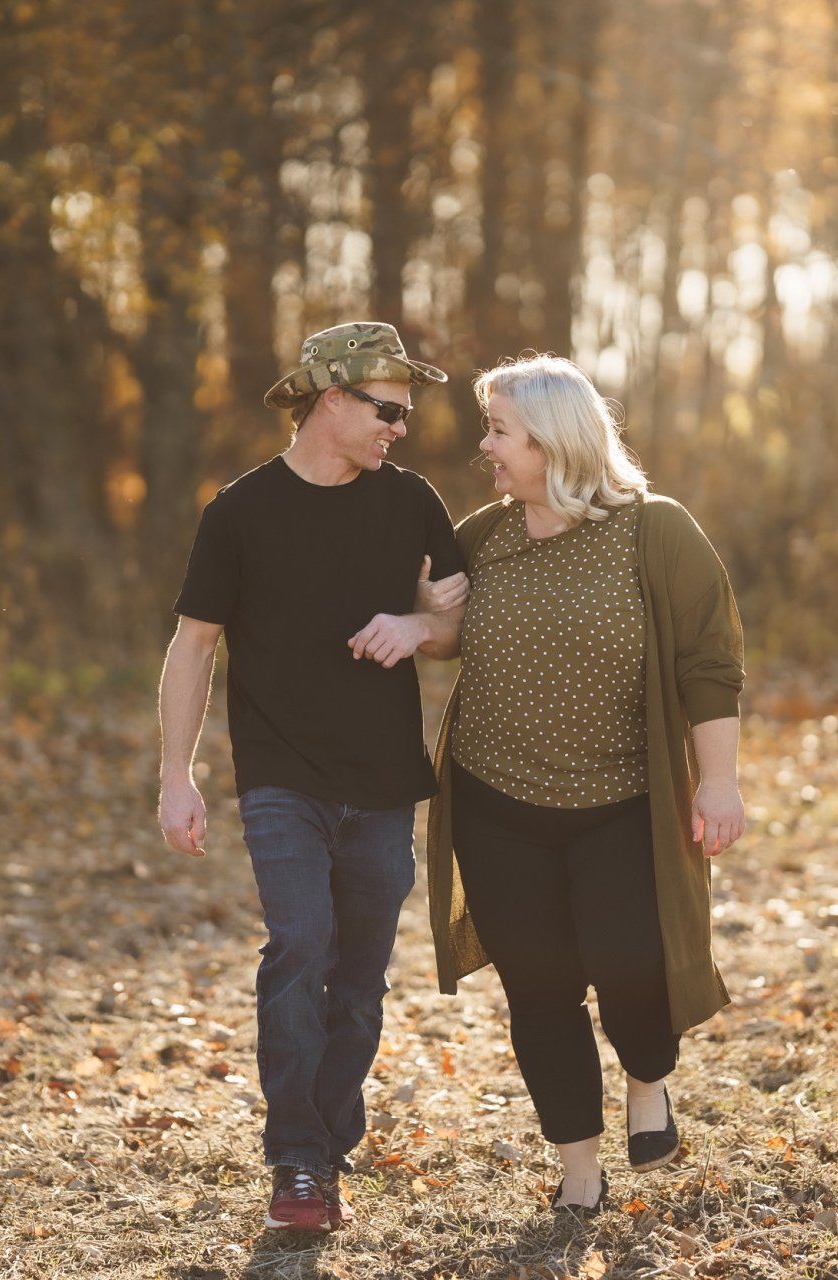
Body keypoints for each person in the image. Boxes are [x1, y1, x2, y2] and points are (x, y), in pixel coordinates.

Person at [157, 322, 471, 1233]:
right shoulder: (240, 512)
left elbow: (459, 623)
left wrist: (416, 629)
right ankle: (297, 1159)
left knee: (361, 977)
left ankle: (325, 1144)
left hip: (381, 783)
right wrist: (176, 776)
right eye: (386, 410)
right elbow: (192, 646)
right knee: (299, 947)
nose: (399, 429)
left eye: (405, 414)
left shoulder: (411, 503)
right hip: (279, 777)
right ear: (329, 399)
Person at [423, 354, 746, 1216]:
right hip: (497, 805)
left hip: (621, 804)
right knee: (539, 990)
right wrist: (419, 614)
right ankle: (577, 1172)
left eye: (499, 431)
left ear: (554, 442)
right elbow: (444, 635)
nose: (484, 447)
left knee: (633, 968)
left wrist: (718, 783)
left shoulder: (656, 532)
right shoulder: (484, 535)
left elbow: (709, 665)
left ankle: (648, 1077)